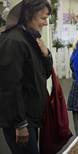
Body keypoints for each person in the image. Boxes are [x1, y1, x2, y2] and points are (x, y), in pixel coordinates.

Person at [0, 0, 52, 154]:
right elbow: (9, 87)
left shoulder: (30, 38)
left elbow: (44, 74)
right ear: (28, 15)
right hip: (21, 120)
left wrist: (46, 55)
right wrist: (20, 123)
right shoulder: (13, 41)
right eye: (43, 18)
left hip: (31, 116)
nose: (46, 23)